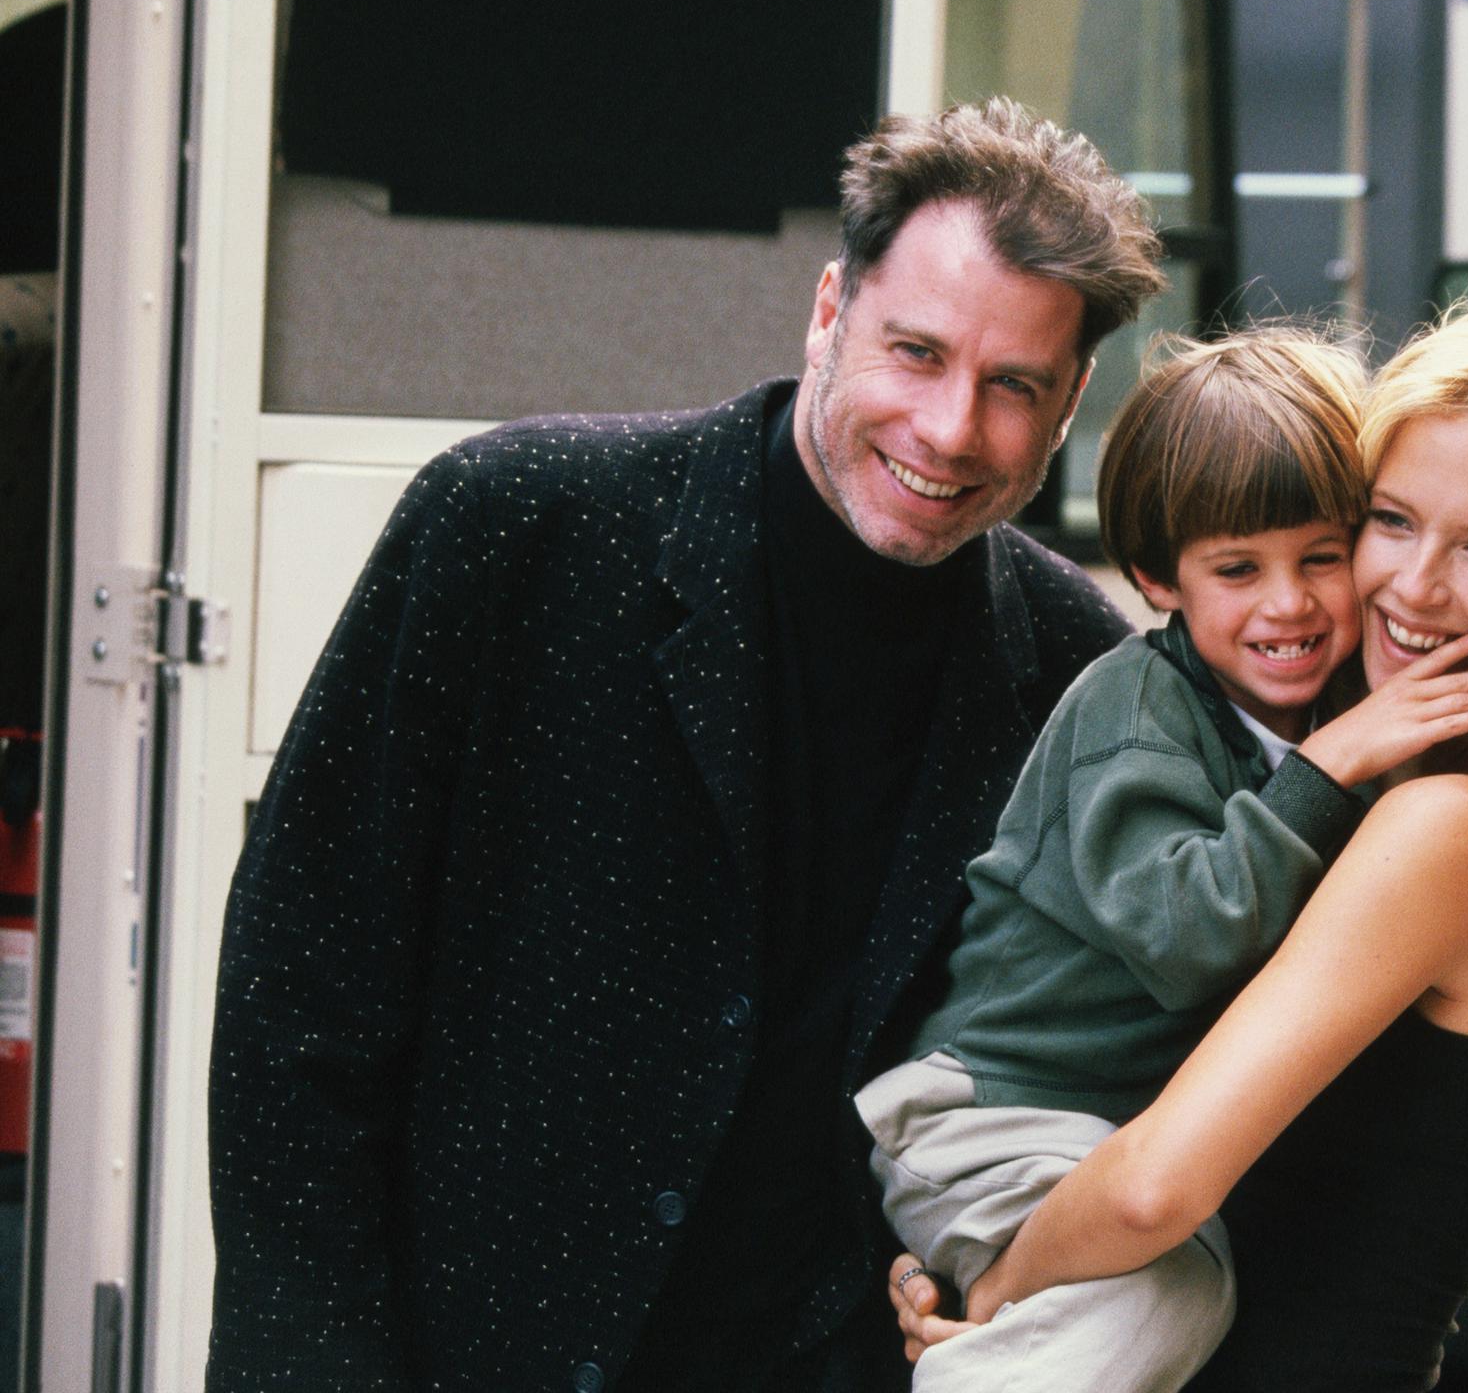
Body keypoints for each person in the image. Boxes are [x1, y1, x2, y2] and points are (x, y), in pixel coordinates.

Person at [206, 98, 1167, 1393]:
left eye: (1012, 387)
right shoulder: (512, 528)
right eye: (917, 353)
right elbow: (299, 1013)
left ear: (1071, 405)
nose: (949, 429)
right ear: (831, 311)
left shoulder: (1073, 666)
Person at [890, 303, 1468, 1389]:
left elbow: (1154, 1188)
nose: (1412, 584)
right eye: (1390, 520)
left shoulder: (1456, 825)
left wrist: (1001, 1293)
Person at [855, 330, 1468, 1391]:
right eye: (1238, 568)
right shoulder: (1136, 710)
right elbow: (1190, 934)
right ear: (1163, 576)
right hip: (995, 1112)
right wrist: (1337, 762)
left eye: (1323, 554)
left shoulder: (1332, 710)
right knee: (1172, 1291)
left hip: (1101, 1136)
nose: (1289, 603)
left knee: (1166, 1295)